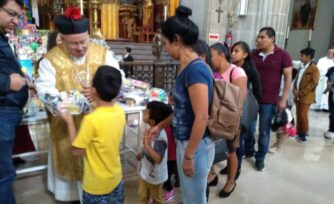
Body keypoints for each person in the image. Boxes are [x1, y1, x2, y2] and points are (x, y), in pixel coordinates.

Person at [35, 6, 122, 202]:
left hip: (100, 125)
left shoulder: (103, 53)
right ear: (62, 39)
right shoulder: (51, 60)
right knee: (72, 171)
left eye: (84, 41)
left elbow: (118, 77)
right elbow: (45, 91)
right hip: (68, 128)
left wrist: (97, 89)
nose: (81, 47)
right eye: (74, 44)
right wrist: (78, 100)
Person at [147, 6, 214, 204]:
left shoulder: (195, 71)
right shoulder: (186, 68)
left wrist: (189, 156)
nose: (165, 48)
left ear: (177, 40)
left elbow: (201, 117)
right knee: (190, 196)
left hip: (196, 145)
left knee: (195, 199)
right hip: (188, 142)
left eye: (166, 43)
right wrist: (159, 126)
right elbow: (183, 111)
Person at [57, 66, 125, 204]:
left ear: (93, 90)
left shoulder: (91, 121)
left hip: (96, 186)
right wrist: (89, 113)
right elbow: (103, 133)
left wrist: (69, 122)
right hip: (116, 178)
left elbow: (77, 150)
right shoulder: (120, 111)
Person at [250, 27, 292, 171]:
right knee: (248, 128)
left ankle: (260, 157)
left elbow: (288, 79)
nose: (259, 40)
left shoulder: (283, 55)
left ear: (272, 38)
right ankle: (249, 150)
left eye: (262, 37)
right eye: (258, 37)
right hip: (252, 99)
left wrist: (283, 99)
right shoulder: (253, 55)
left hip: (269, 100)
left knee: (263, 131)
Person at [0, 1, 29, 203]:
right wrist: (8, 82)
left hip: (7, 110)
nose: (16, 21)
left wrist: (24, 83)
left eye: (19, 16)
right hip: (2, 112)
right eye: (12, 14)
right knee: (3, 176)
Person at [210, 42, 247, 198]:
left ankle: (231, 181)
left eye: (211, 56)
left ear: (221, 55)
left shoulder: (236, 71)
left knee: (230, 151)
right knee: (210, 147)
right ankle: (211, 174)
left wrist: (219, 88)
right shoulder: (211, 72)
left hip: (229, 120)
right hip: (212, 118)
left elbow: (240, 98)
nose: (209, 59)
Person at [229, 41, 261, 177]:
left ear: (245, 54)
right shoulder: (233, 68)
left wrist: (250, 109)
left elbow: (257, 92)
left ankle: (237, 168)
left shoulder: (249, 70)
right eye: (232, 50)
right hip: (232, 107)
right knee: (230, 140)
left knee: (239, 140)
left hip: (244, 108)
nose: (233, 54)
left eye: (236, 51)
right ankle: (230, 165)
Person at [137, 101, 172, 204]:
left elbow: (158, 159)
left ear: (152, 121)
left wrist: (147, 145)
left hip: (156, 177)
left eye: (146, 112)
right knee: (142, 196)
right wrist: (142, 153)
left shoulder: (160, 137)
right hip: (145, 173)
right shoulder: (150, 130)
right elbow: (146, 148)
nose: (144, 112)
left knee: (157, 199)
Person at [293, 47, 320, 143]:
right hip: (298, 95)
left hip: (306, 96)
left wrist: (301, 92)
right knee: (298, 114)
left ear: (309, 57)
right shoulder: (301, 67)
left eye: (302, 56)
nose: (300, 57)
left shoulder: (314, 69)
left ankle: (304, 134)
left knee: (303, 115)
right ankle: (299, 132)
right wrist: (295, 90)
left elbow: (314, 83)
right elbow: (297, 80)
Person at [163, 92, 178, 202]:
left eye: (172, 101)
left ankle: (170, 191)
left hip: (170, 157)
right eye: (169, 100)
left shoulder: (169, 129)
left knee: (166, 177)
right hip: (170, 157)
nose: (170, 102)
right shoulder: (167, 129)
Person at [311, 44, 334, 111]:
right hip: (321, 80)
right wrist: (327, 71)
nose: (331, 54)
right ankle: (318, 106)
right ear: (327, 52)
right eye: (329, 52)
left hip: (330, 82)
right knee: (319, 93)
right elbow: (317, 70)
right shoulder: (322, 60)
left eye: (332, 53)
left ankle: (327, 107)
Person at [324, 66, 334, 139]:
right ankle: (331, 130)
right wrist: (328, 86)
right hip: (331, 93)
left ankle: (331, 130)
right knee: (332, 112)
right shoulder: (331, 69)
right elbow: (328, 80)